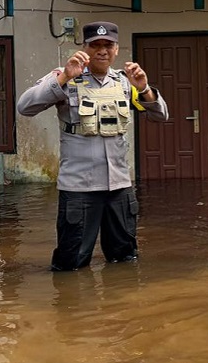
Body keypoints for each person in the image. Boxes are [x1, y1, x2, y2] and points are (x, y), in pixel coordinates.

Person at [17, 21, 169, 271]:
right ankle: (73, 309)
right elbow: (25, 107)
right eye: (95, 45)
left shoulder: (124, 83)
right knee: (71, 263)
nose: (101, 51)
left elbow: (160, 115)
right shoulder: (67, 77)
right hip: (78, 189)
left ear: (116, 49)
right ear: (84, 47)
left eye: (107, 45)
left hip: (119, 188)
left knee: (125, 261)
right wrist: (64, 76)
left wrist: (143, 88)